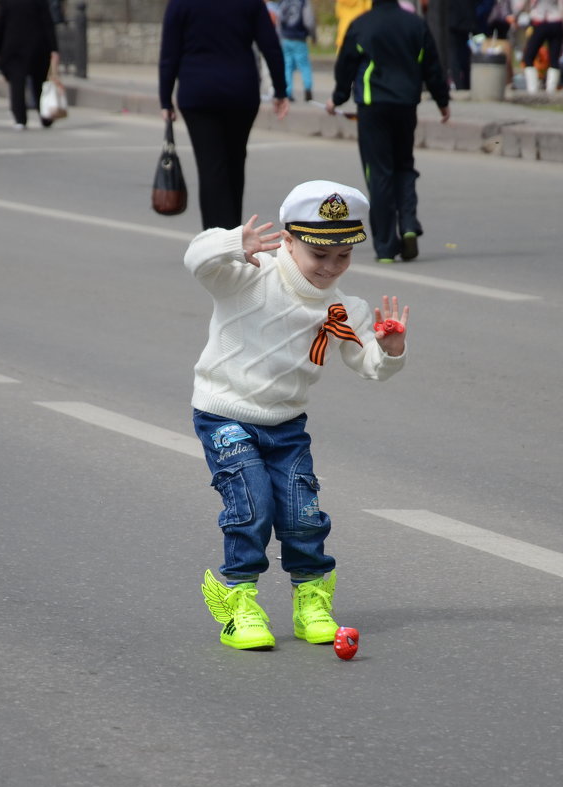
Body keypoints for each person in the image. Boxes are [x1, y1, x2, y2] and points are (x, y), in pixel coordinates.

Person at [185, 179, 409, 651]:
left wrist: (390, 350)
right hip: (225, 413)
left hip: (286, 424)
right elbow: (196, 259)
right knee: (253, 505)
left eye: (343, 256)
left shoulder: (345, 308)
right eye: (319, 254)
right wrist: (231, 242)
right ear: (288, 240)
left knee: (302, 513)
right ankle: (238, 604)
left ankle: (311, 602)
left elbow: (369, 365)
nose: (331, 267)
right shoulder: (249, 274)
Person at [329, 0, 450, 263]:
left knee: (379, 171)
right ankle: (407, 225)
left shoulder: (361, 25)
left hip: (373, 107)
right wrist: (442, 101)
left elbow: (345, 66)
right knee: (404, 165)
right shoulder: (415, 24)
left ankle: (385, 247)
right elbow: (432, 65)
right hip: (406, 104)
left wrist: (337, 99)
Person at [159, 0, 289, 230]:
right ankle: (234, 233)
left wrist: (165, 98)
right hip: (241, 92)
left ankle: (216, 239)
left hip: (197, 93)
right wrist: (280, 90)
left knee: (210, 166)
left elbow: (170, 53)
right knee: (235, 163)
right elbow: (270, 45)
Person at [0, 0, 57, 130]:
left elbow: (0, 24)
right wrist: (54, 48)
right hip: (37, 46)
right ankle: (44, 115)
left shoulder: (8, 3)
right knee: (39, 83)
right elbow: (48, 23)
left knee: (17, 84)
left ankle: (20, 118)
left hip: (14, 46)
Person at [516, 0, 563, 94]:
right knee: (554, 59)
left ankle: (532, 90)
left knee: (528, 57)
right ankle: (551, 91)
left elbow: (522, 5)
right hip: (556, 22)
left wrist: (516, 16)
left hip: (540, 22)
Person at [276, 0, 314, 101]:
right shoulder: (303, 2)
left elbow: (278, 19)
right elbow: (309, 21)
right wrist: (313, 35)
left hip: (285, 37)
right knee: (304, 65)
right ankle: (307, 87)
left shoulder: (283, 2)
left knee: (287, 65)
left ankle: (287, 92)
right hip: (299, 38)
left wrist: (279, 36)